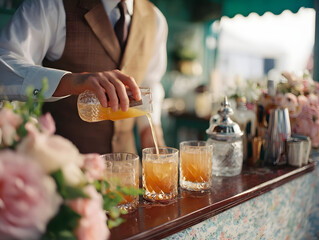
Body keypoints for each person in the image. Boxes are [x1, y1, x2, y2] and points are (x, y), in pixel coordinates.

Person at [0, 0, 167, 154]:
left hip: (127, 172)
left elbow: (150, 80)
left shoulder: (156, 19)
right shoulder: (51, 4)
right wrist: (70, 82)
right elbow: (4, 65)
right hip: (64, 170)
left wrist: (150, 131)